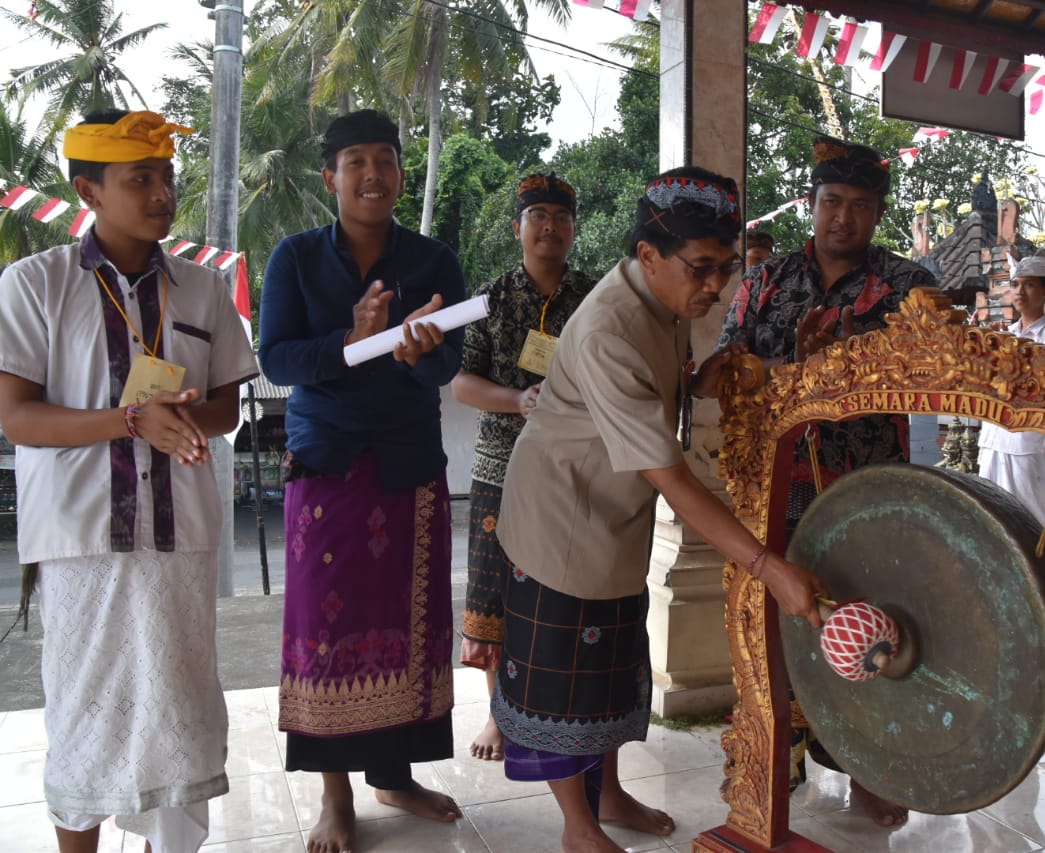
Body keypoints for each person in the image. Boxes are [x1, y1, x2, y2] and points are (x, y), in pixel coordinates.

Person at [494, 165, 828, 853]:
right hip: (561, 516)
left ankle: (610, 793)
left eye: (726, 268)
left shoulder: (664, 299)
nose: (716, 286)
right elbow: (676, 481)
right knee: (566, 684)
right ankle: (579, 828)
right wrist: (770, 568)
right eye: (702, 269)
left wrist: (703, 379)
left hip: (614, 510)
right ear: (648, 254)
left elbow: (656, 392)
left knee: (612, 671)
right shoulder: (608, 329)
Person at [0, 109, 259, 853]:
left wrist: (179, 417)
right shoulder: (35, 283)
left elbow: (223, 408)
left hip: (180, 535)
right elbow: (17, 416)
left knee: (180, 707)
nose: (162, 194)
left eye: (166, 177)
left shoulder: (204, 287)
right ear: (88, 191)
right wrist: (130, 420)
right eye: (140, 178)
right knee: (86, 712)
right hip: (82, 538)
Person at [258, 109, 466, 853]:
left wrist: (418, 353)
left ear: (402, 174)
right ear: (331, 177)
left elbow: (450, 364)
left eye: (385, 159)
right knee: (327, 633)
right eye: (356, 162)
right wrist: (349, 341)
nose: (372, 175)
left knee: (410, 629)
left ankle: (395, 776)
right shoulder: (295, 258)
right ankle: (335, 794)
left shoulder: (434, 261)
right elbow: (277, 358)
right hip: (328, 463)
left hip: (410, 465)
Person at [716, 135, 937, 826]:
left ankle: (865, 764)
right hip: (778, 481)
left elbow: (932, 377)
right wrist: (793, 370)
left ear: (878, 213)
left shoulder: (909, 285)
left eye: (860, 205)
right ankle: (772, 758)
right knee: (778, 619)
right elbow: (726, 373)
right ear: (811, 203)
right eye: (832, 201)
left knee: (867, 614)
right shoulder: (766, 281)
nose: (843, 217)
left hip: (868, 484)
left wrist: (848, 368)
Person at [454, 173, 596, 762]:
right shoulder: (488, 300)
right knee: (496, 594)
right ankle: (498, 713)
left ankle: (563, 704)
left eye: (561, 218)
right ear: (518, 228)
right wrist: (517, 399)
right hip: (501, 466)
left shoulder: (594, 298)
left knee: (566, 589)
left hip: (574, 465)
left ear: (573, 229)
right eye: (538, 216)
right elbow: (462, 383)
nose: (550, 227)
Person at [978, 253, 1045, 519]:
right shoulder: (1005, 335)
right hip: (993, 436)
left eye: (1029, 285)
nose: (1020, 291)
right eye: (1016, 284)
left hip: (1027, 441)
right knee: (987, 514)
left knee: (1027, 516)